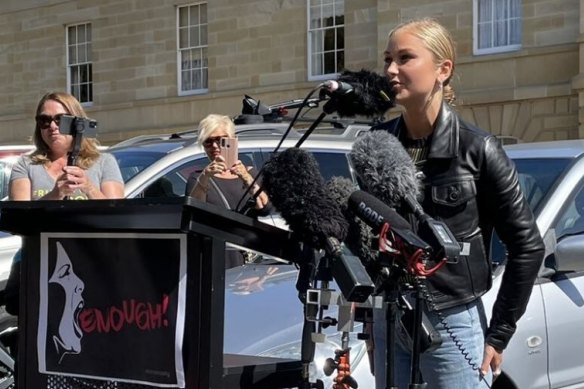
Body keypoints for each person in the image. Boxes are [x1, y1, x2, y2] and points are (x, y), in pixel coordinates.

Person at [369, 18, 545, 389]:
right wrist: (369, 320)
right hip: (390, 317)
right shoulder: (377, 144)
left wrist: (499, 333)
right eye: (387, 59)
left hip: (453, 320)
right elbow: (366, 236)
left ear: (442, 70)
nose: (390, 70)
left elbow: (528, 246)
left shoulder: (478, 148)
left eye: (404, 58)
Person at [5, 91, 124, 316]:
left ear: (77, 122)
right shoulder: (26, 165)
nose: (52, 126)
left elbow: (119, 212)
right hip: (38, 264)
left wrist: (88, 186)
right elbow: (18, 218)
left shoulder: (103, 162)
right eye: (44, 120)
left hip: (91, 265)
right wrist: (55, 195)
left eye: (60, 119)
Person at [185, 114, 270, 268]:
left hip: (249, 259)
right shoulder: (197, 178)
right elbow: (194, 212)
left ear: (233, 140)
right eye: (208, 142)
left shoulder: (250, 173)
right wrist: (205, 177)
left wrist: (245, 176)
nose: (215, 147)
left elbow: (265, 208)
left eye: (220, 140)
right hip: (215, 257)